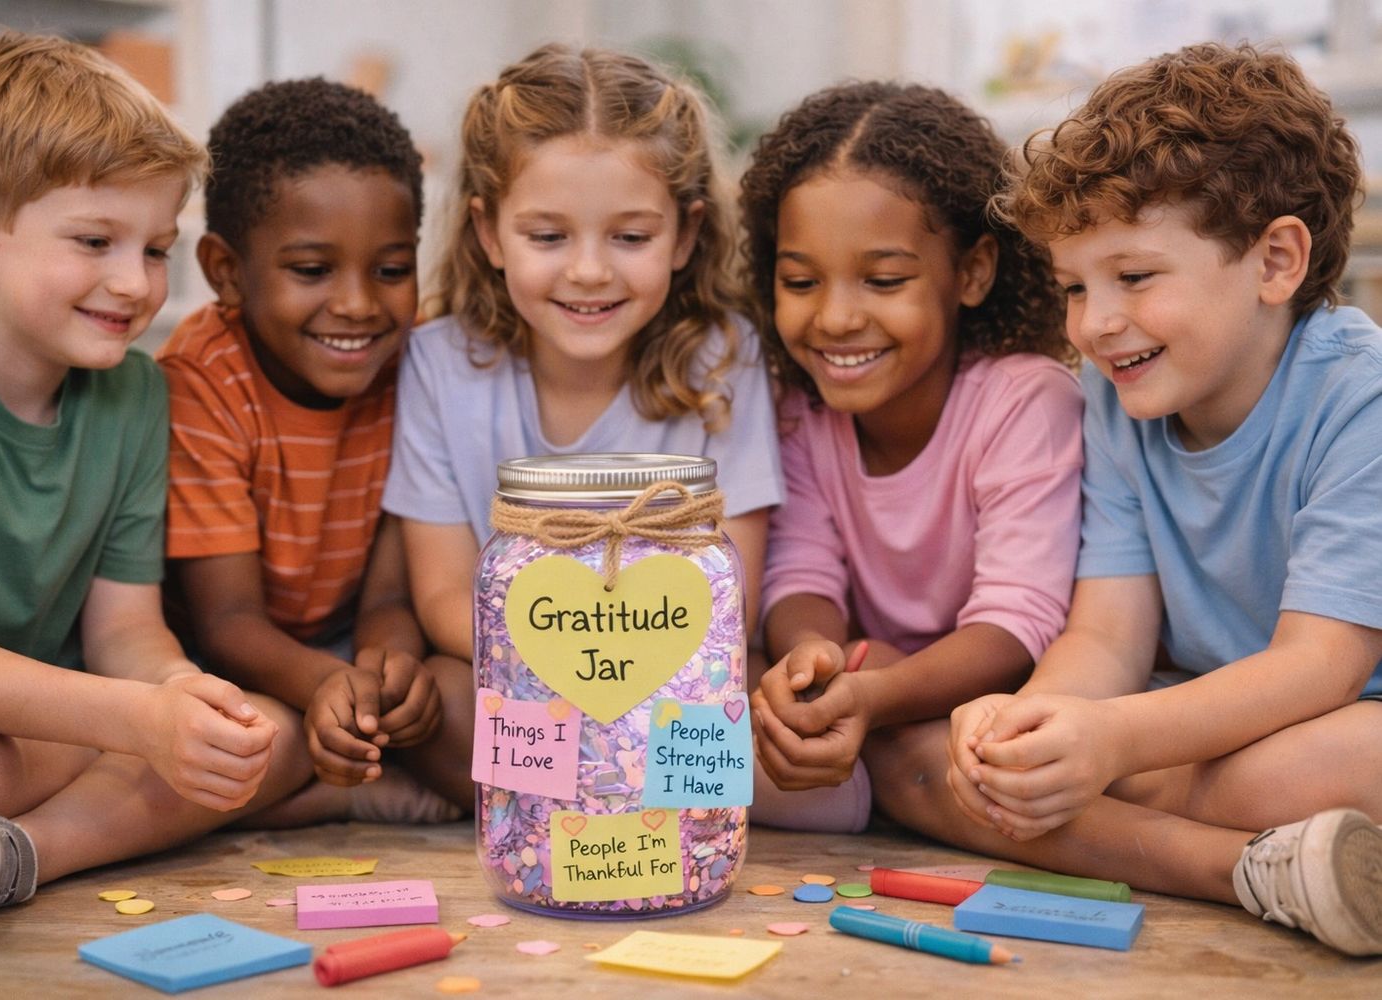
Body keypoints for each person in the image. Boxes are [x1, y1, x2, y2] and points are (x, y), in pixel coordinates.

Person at [887, 43, 1382, 956]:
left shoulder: (1361, 399)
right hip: (1188, 724)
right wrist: (1037, 722)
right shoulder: (1116, 396)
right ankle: (1254, 868)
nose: (1094, 324)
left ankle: (1153, 828)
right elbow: (1108, 636)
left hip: (1327, 724)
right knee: (926, 765)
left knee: (1325, 766)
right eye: (1074, 287)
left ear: (1275, 261)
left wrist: (1111, 744)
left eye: (1135, 277)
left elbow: (1321, 667)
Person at [0, 33, 311, 943]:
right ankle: (83, 811)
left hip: (54, 731)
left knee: (268, 732)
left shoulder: (136, 393)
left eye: (155, 249)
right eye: (94, 242)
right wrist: (134, 722)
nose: (134, 284)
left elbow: (125, 631)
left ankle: (12, 855)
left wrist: (183, 697)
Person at [384, 44, 784, 808]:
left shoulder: (722, 362)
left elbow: (730, 600)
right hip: (519, 679)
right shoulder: (438, 364)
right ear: (489, 233)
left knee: (776, 735)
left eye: (631, 238)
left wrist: (625, 690)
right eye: (548, 237)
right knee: (442, 699)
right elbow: (442, 595)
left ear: (686, 234)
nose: (591, 271)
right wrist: (564, 669)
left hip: (673, 684)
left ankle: (580, 800)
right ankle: (598, 802)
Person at [740, 82, 1083, 834]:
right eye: (801, 281)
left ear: (973, 272)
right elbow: (800, 576)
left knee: (941, 765)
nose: (836, 317)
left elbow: (1017, 626)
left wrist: (874, 693)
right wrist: (814, 662)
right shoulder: (797, 410)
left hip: (1002, 710)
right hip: (872, 702)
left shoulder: (1025, 401)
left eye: (885, 281)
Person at [157, 79, 453, 825]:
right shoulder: (203, 379)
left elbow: (389, 594)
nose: (358, 304)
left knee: (438, 700)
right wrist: (328, 683)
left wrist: (387, 668)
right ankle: (327, 796)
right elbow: (227, 622)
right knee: (253, 740)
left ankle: (339, 779)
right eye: (313, 271)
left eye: (391, 270)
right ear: (226, 271)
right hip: (225, 660)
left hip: (343, 641)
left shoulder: (415, 364)